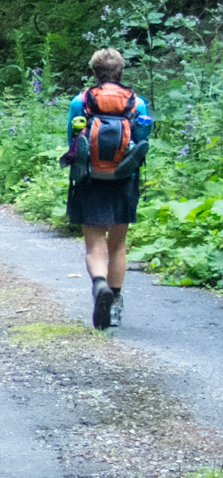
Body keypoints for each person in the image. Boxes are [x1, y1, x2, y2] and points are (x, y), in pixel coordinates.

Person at [62, 47, 152, 330]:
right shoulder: (138, 104)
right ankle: (113, 302)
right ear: (121, 71)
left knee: (95, 245)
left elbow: (72, 142)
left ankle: (99, 284)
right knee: (118, 245)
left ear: (94, 72)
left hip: (90, 178)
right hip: (123, 179)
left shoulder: (81, 102)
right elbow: (141, 144)